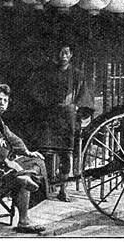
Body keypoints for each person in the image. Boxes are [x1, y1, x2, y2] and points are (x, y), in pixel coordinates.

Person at [0, 84, 48, 234]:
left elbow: (11, 136)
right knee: (22, 174)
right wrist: (7, 161)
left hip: (4, 162)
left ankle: (24, 176)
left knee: (37, 161)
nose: (2, 104)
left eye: (5, 100)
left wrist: (27, 152)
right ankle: (24, 220)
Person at [34, 44, 92, 202]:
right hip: (50, 116)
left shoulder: (77, 75)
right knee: (46, 152)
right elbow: (38, 92)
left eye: (66, 52)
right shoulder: (48, 74)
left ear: (71, 55)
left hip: (68, 118)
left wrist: (77, 109)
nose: (63, 56)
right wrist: (46, 103)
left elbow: (83, 96)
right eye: (60, 52)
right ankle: (45, 187)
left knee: (66, 154)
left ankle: (63, 189)